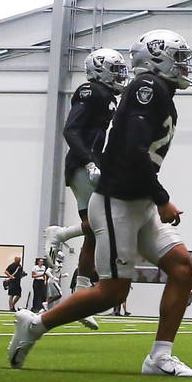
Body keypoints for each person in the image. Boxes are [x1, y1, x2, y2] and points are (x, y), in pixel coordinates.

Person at [8, 29, 192, 377]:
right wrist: (163, 199)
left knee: (183, 268)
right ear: (158, 59)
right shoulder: (149, 89)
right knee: (113, 291)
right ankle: (36, 324)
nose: (184, 64)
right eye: (178, 56)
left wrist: (153, 198)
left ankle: (159, 357)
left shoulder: (159, 92)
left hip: (136, 201)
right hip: (117, 202)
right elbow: (134, 149)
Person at [43, 47, 129, 329]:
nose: (120, 75)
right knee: (104, 225)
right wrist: (90, 161)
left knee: (94, 230)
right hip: (83, 166)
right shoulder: (90, 91)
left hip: (93, 165)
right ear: (99, 70)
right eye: (114, 69)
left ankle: (80, 290)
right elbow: (71, 130)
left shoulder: (108, 96)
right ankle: (80, 284)